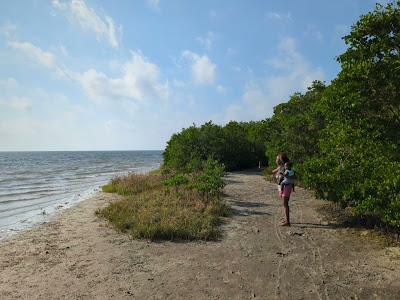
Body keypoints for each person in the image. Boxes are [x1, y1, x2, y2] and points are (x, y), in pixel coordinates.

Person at [271, 153, 292, 226]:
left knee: (285, 204)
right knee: (284, 204)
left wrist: (279, 173)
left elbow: (288, 175)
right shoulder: (280, 167)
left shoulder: (285, 167)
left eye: (277, 159)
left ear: (281, 160)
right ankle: (286, 219)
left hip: (286, 187)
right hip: (283, 188)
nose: (276, 160)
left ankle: (288, 222)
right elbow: (273, 171)